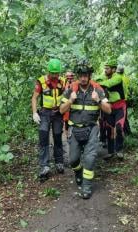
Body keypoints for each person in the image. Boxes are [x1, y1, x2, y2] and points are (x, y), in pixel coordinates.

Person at [60, 60, 111, 199]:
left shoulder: (97, 89)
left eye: (86, 75)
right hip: (75, 130)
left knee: (89, 158)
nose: (83, 78)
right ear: (78, 76)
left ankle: (86, 187)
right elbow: (61, 110)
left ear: (89, 76)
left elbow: (109, 110)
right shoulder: (71, 89)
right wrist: (70, 101)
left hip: (91, 129)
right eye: (81, 75)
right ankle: (78, 172)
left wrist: (98, 101)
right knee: (73, 160)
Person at [31, 58, 66, 182]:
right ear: (48, 71)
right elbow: (34, 98)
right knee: (43, 136)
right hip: (45, 112)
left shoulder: (63, 81)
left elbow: (68, 95)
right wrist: (35, 113)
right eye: (53, 73)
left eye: (57, 73)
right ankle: (44, 165)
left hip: (58, 113)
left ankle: (59, 162)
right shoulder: (41, 82)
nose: (55, 76)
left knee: (57, 136)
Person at [99, 59, 127, 159]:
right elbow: (97, 79)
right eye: (105, 68)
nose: (105, 70)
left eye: (107, 68)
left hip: (120, 106)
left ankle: (119, 150)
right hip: (110, 107)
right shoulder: (105, 76)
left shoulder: (118, 77)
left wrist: (97, 83)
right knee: (109, 129)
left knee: (119, 128)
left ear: (114, 69)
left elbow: (108, 84)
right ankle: (111, 152)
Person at [116, 65, 131, 136]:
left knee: (122, 117)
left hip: (120, 100)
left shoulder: (118, 79)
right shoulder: (126, 78)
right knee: (124, 117)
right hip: (126, 99)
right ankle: (127, 132)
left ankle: (126, 133)